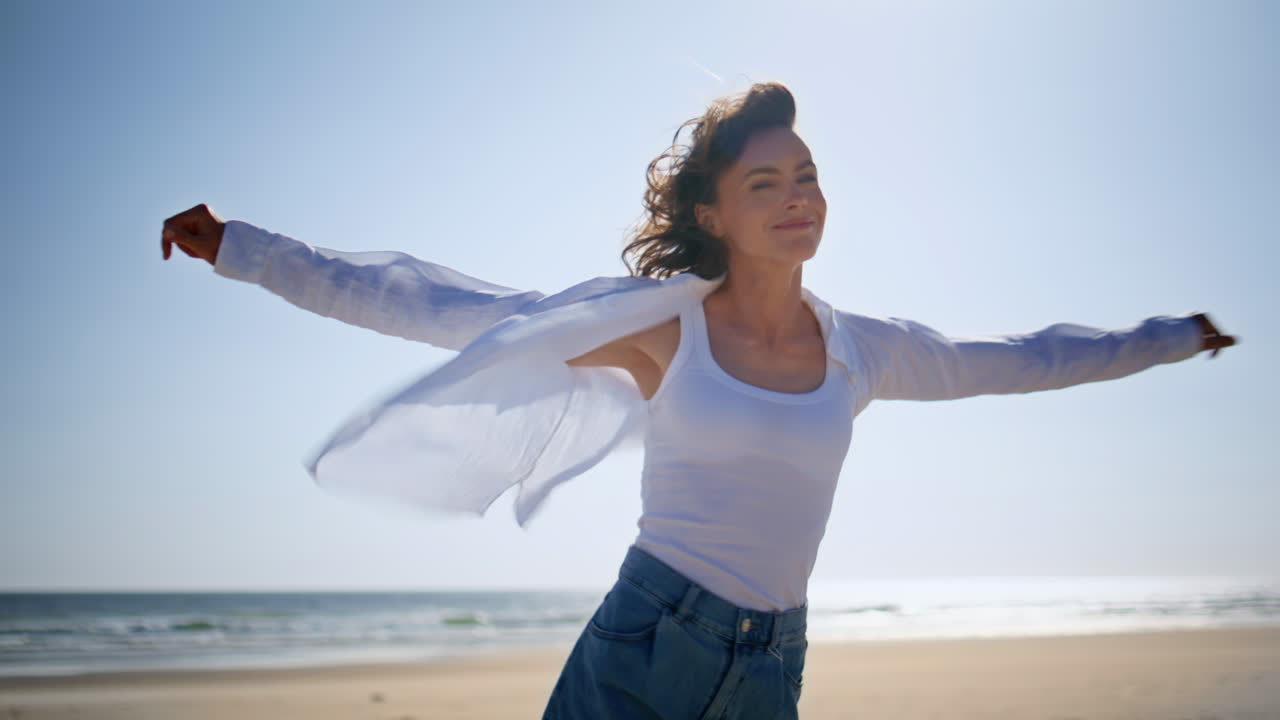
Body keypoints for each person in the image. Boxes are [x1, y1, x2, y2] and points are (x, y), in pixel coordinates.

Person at [161, 82, 1236, 719]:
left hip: (773, 665)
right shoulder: (659, 324)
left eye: (805, 176)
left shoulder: (861, 351)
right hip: (646, 642)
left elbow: (1022, 356)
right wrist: (248, 251)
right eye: (763, 183)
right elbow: (437, 300)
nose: (794, 198)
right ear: (713, 214)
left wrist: (1170, 338)